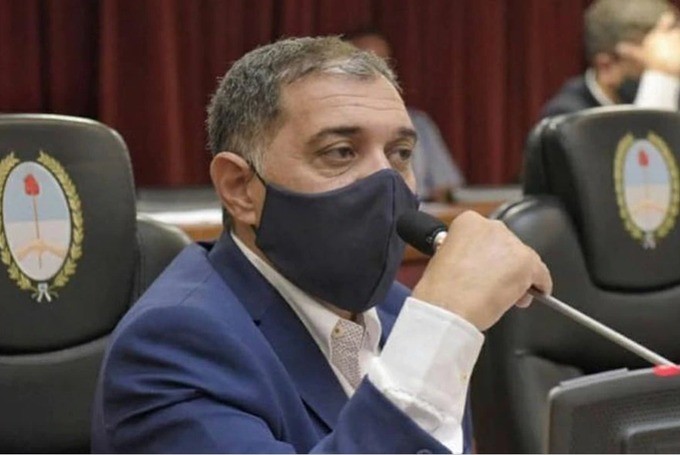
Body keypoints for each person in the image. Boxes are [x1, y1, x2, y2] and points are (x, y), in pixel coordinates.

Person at [91, 37, 551, 453]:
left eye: (400, 154)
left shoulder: (398, 311)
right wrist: (437, 331)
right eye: (340, 152)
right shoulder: (172, 345)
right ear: (240, 188)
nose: (386, 182)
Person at [346, 29, 465, 202]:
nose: (375, 72)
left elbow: (445, 189)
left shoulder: (418, 123)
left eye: (383, 64)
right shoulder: (328, 124)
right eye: (364, 63)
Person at [542, 0, 680, 117]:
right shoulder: (567, 119)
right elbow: (646, 139)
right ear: (606, 67)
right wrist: (661, 78)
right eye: (651, 68)